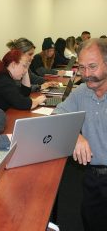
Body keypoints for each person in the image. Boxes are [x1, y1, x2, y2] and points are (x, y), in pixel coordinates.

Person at [54, 38, 107, 231]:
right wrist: (75, 134)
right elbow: (58, 114)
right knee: (92, 222)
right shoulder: (82, 91)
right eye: (82, 67)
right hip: (92, 178)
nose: (86, 74)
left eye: (92, 67)